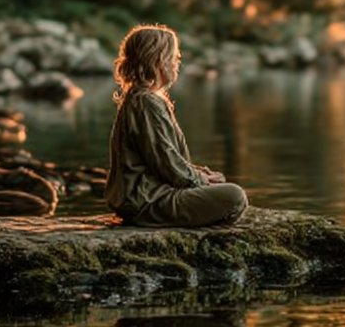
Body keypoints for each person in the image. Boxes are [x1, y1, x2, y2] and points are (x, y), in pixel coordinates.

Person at [105, 24, 248, 227]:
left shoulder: (143, 99)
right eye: (174, 56)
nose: (177, 62)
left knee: (220, 184)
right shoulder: (145, 102)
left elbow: (162, 159)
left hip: (145, 197)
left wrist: (200, 174)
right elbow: (168, 163)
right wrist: (201, 181)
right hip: (147, 201)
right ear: (157, 60)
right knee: (235, 196)